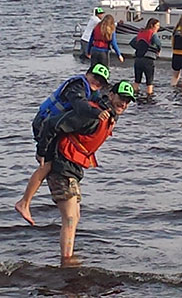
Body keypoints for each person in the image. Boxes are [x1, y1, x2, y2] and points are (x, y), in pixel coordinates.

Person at [35, 80, 135, 266]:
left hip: (73, 167)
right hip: (61, 164)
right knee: (70, 217)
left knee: (76, 216)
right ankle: (66, 262)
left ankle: (69, 257)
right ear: (111, 95)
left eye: (128, 101)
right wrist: (41, 151)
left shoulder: (110, 115)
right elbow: (51, 124)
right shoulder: (91, 115)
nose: (124, 104)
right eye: (121, 98)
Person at [15, 63, 111, 226]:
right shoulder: (76, 86)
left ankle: (25, 201)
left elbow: (101, 100)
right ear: (88, 74)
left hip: (54, 126)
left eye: (101, 82)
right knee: (47, 163)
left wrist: (111, 111)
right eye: (95, 78)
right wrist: (97, 113)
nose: (97, 83)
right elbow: (80, 106)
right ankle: (24, 203)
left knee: (49, 164)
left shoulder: (92, 90)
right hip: (44, 124)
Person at [129, 18, 162, 96]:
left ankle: (133, 95)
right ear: (152, 26)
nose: (158, 27)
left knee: (137, 81)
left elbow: (131, 42)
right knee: (149, 82)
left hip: (138, 60)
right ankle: (149, 99)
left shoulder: (141, 33)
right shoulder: (153, 34)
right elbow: (158, 43)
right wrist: (158, 50)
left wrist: (138, 48)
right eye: (157, 25)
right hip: (148, 60)